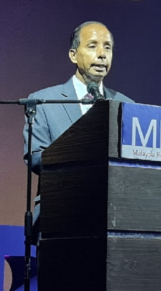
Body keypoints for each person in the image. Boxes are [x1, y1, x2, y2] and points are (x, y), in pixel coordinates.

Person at [23, 21, 134, 238]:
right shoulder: (43, 101)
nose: (102, 54)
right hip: (59, 218)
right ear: (73, 55)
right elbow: (35, 158)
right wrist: (83, 153)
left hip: (114, 221)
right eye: (92, 46)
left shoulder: (126, 105)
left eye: (107, 47)